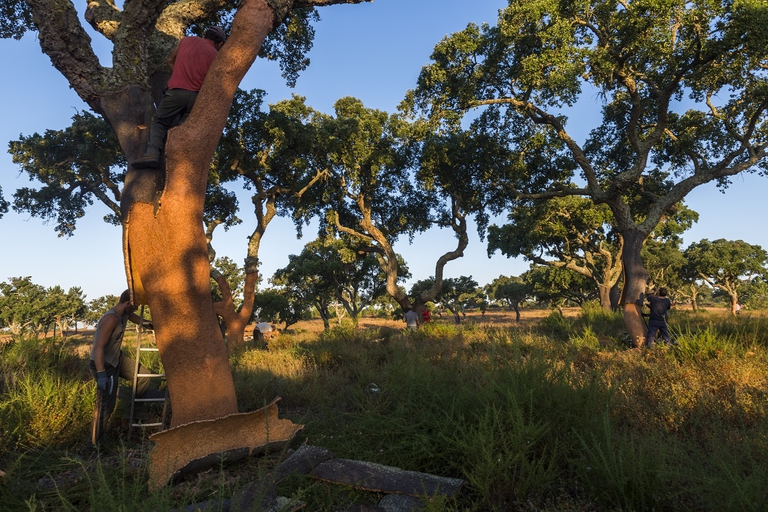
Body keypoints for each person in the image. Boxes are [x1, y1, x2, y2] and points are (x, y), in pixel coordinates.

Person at [132, 27, 227, 169]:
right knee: (181, 129)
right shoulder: (216, 56)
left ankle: (152, 154)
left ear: (205, 35)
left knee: (160, 122)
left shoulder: (187, 40)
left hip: (176, 93)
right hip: (196, 98)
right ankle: (175, 162)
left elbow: (169, 60)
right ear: (219, 44)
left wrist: (178, 75)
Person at [89, 289, 154, 448]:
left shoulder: (125, 314)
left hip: (117, 359)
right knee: (106, 406)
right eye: (135, 306)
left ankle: (134, 411)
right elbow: (98, 348)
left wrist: (155, 325)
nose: (136, 309)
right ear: (127, 303)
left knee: (143, 375)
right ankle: (93, 446)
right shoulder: (110, 319)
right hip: (104, 364)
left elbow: (140, 321)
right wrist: (101, 374)